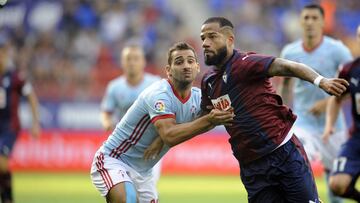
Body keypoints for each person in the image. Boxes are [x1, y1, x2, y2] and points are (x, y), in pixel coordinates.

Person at [199, 16, 349, 203]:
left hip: (282, 152)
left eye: (212, 37)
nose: (205, 43)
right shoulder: (208, 82)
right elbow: (204, 118)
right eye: (203, 38)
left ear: (230, 39)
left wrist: (321, 81)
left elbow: (288, 66)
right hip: (251, 166)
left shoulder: (246, 63)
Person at [90, 42, 234, 203]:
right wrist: (208, 120)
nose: (186, 66)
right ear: (168, 71)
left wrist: (161, 138)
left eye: (190, 61)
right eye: (179, 62)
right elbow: (172, 135)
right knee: (126, 199)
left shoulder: (198, 97)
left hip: (144, 171)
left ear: (198, 67)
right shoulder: (159, 93)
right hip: (115, 159)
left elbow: (212, 118)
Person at [279, 4, 353, 203]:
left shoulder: (338, 50)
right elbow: (285, 85)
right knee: (297, 163)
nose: (310, 22)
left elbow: (354, 84)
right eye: (306, 18)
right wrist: (281, 112)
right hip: (303, 123)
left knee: (336, 186)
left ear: (323, 22)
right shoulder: (290, 52)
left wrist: (327, 103)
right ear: (301, 22)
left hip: (334, 126)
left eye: (314, 18)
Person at [100, 44, 162, 183]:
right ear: (122, 62)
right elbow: (106, 112)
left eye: (136, 58)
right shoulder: (115, 87)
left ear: (143, 62)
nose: (132, 62)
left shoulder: (156, 84)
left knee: (146, 190)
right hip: (124, 147)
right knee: (124, 190)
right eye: (128, 59)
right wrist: (106, 122)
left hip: (150, 147)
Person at [0, 37, 41, 203]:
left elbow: (31, 96)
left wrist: (35, 122)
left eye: (3, 52)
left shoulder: (15, 77)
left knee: (1, 162)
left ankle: (8, 197)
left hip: (10, 127)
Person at [322, 25, 360, 202]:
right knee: (337, 184)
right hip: (357, 138)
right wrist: (330, 125)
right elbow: (336, 98)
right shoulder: (350, 69)